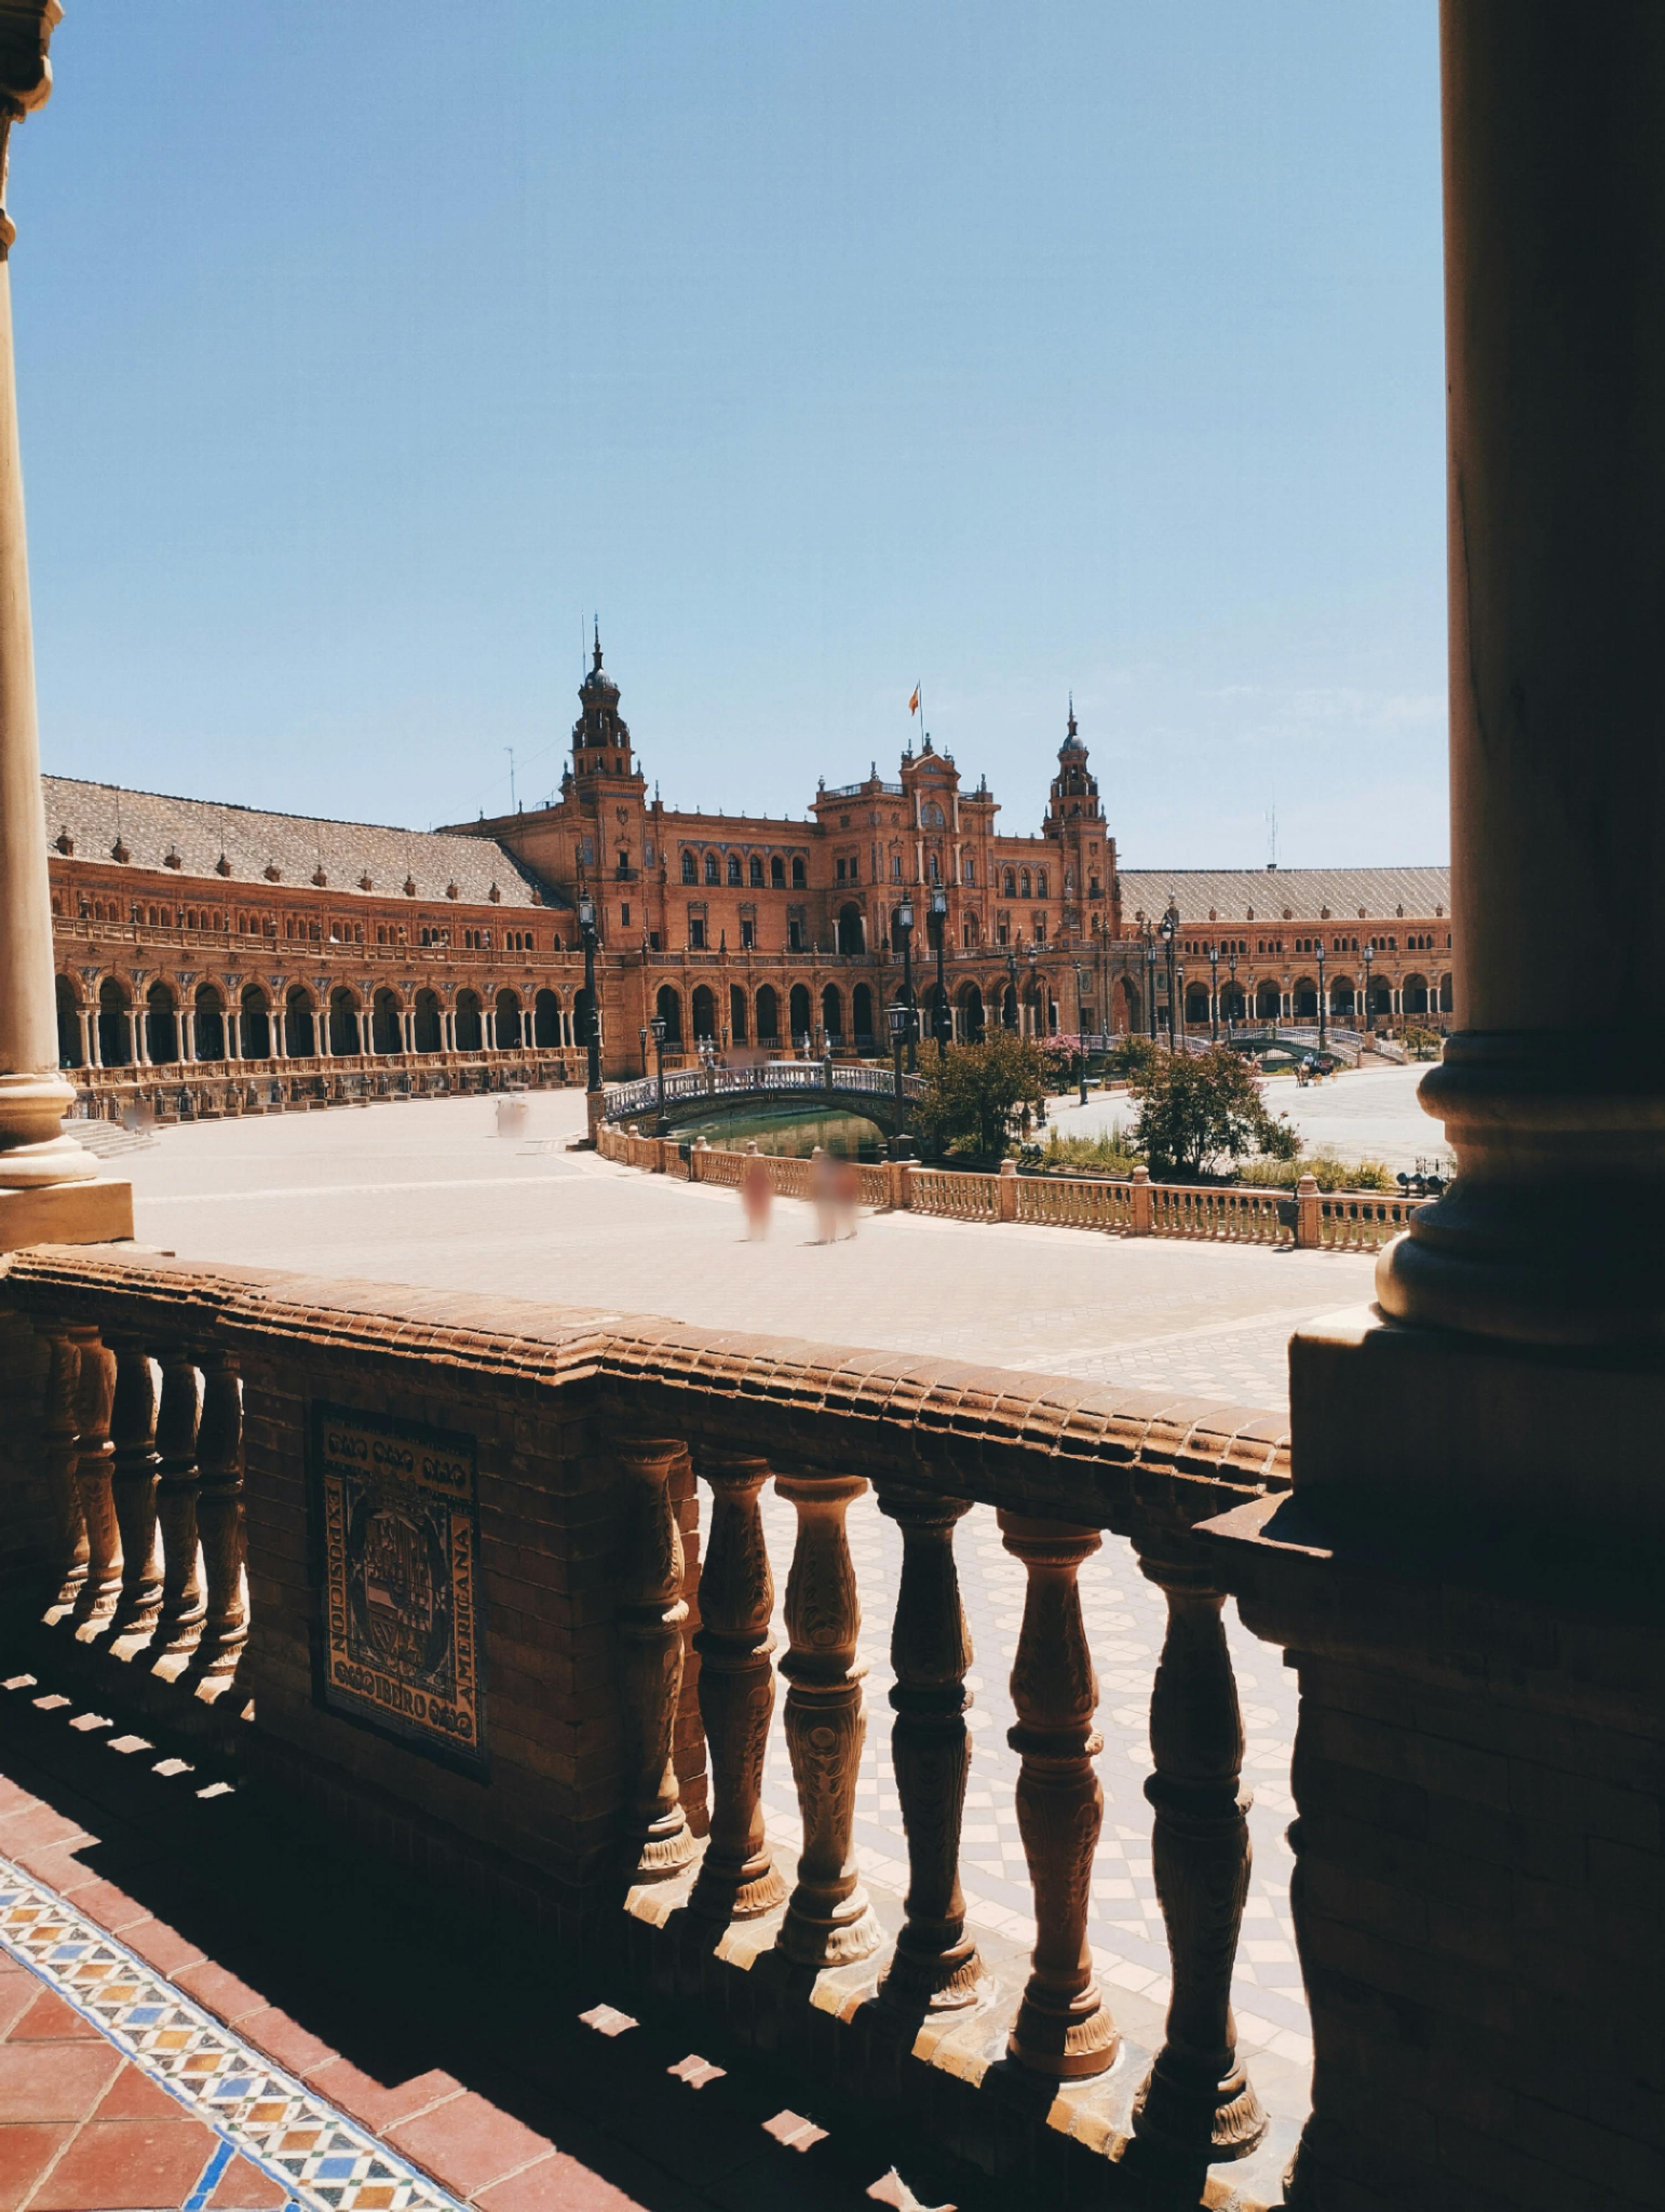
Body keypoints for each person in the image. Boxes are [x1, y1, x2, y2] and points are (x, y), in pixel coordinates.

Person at [741, 1142, 772, 1241]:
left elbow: (746, 1192)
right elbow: (768, 1191)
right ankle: (763, 1235)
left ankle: (753, 1234)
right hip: (762, 1202)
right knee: (762, 1218)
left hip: (753, 1202)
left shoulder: (750, 1179)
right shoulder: (765, 1179)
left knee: (753, 1219)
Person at [811, 1144, 838, 1243]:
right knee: (832, 1217)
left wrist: (815, 1196)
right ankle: (833, 1237)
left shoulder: (821, 1170)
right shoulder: (834, 1171)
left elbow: (817, 1184)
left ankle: (824, 1237)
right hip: (832, 1197)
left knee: (823, 1218)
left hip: (823, 1197)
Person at [834, 1153, 860, 1240]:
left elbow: (848, 1186)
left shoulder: (846, 1175)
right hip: (846, 1198)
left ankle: (853, 1231)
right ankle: (853, 1230)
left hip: (846, 1198)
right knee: (846, 1215)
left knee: (846, 1214)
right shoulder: (846, 1174)